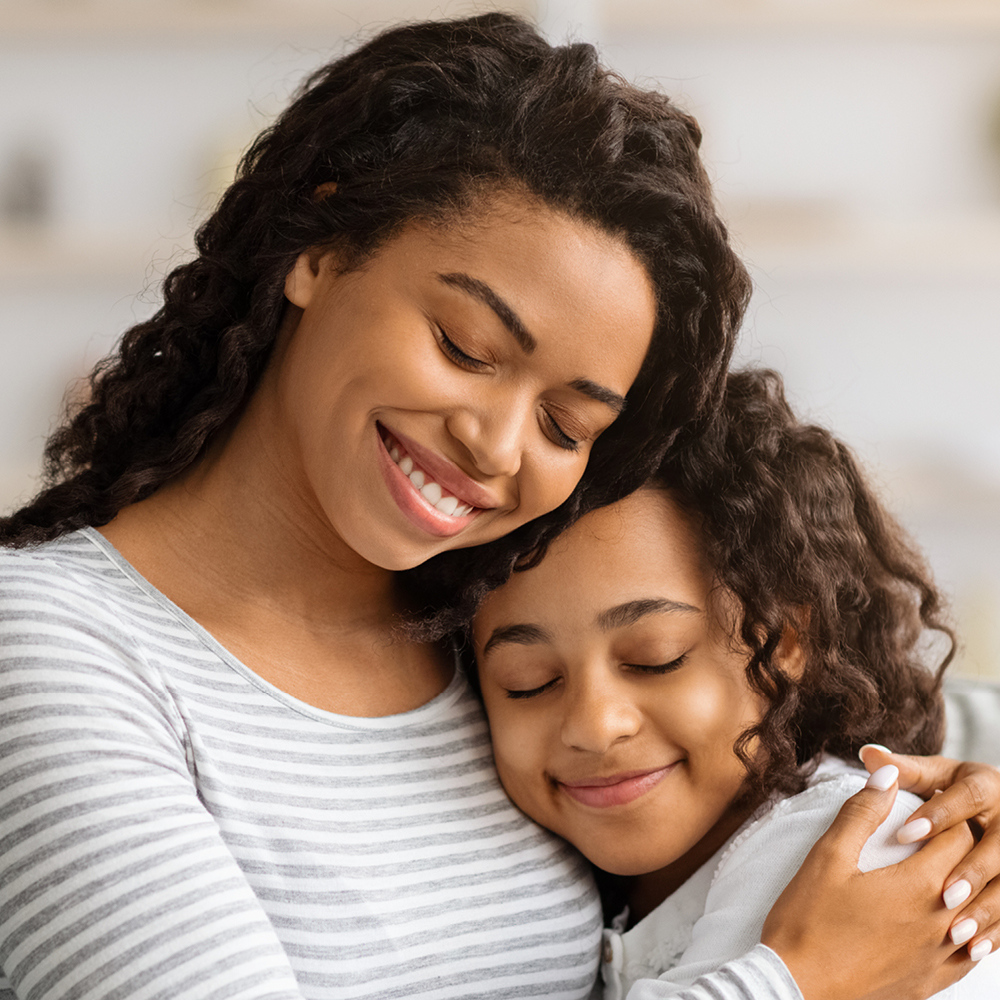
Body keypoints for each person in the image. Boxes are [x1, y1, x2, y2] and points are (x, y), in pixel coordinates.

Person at [1, 13, 999, 1000]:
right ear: (322, 243)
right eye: (465, 347)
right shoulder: (47, 643)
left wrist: (964, 812)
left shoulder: (485, 623)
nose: (494, 445)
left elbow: (780, 727)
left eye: (566, 426)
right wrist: (799, 981)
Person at [472, 367, 1000, 1000]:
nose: (592, 724)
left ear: (782, 643)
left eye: (655, 659)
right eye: (528, 682)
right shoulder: (614, 879)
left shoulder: (852, 845)